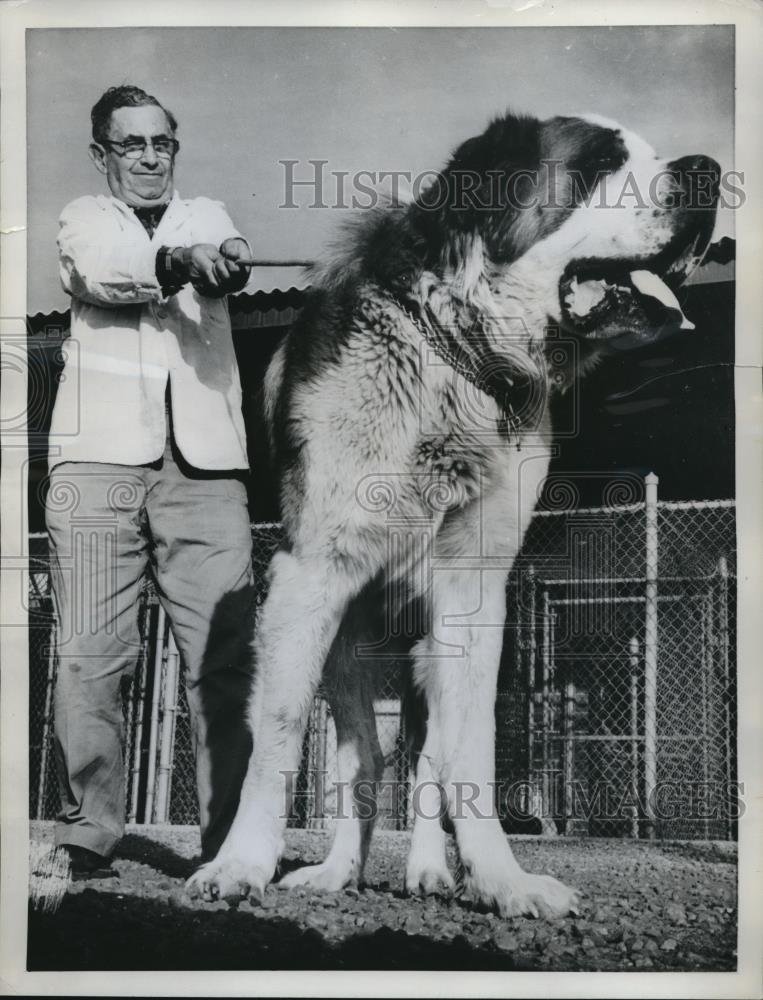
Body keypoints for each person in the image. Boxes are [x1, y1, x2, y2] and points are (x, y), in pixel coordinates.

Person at [46, 85, 256, 877]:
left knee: (225, 655)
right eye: (129, 144)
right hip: (97, 461)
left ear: (175, 148)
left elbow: (220, 266)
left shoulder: (207, 213)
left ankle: (234, 840)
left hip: (206, 467)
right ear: (102, 154)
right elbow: (103, 275)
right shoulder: (82, 220)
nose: (146, 157)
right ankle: (88, 833)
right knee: (91, 654)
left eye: (159, 143)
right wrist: (175, 263)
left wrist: (221, 267)